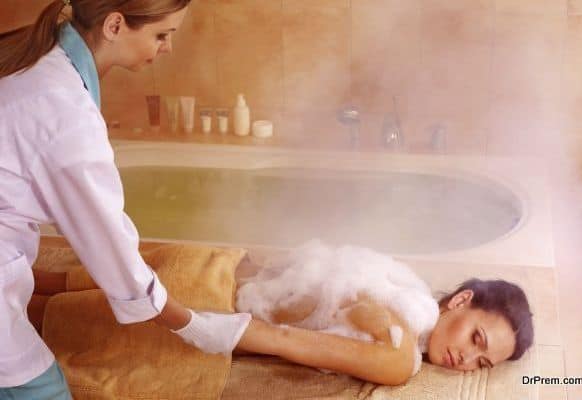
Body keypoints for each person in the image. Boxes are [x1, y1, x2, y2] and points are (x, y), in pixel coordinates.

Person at [0, 1, 252, 398]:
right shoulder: (63, 110)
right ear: (115, 25)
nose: (167, 47)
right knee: (41, 390)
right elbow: (109, 246)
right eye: (161, 34)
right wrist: (191, 325)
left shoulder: (39, 57)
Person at [29, 251, 534, 387]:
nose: (467, 357)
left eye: (482, 362)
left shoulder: (402, 289)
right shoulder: (400, 353)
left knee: (36, 286)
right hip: (197, 297)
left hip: (209, 263)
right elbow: (283, 340)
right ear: (461, 301)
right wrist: (189, 323)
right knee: (34, 317)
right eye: (476, 338)